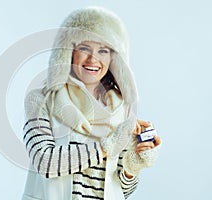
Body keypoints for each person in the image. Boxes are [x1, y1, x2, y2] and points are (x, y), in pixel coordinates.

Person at [21, 6, 161, 200]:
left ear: (113, 59)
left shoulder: (121, 108)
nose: (93, 59)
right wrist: (108, 146)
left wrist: (132, 167)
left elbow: (121, 189)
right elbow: (44, 162)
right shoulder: (41, 100)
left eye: (103, 50)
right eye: (84, 48)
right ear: (68, 51)